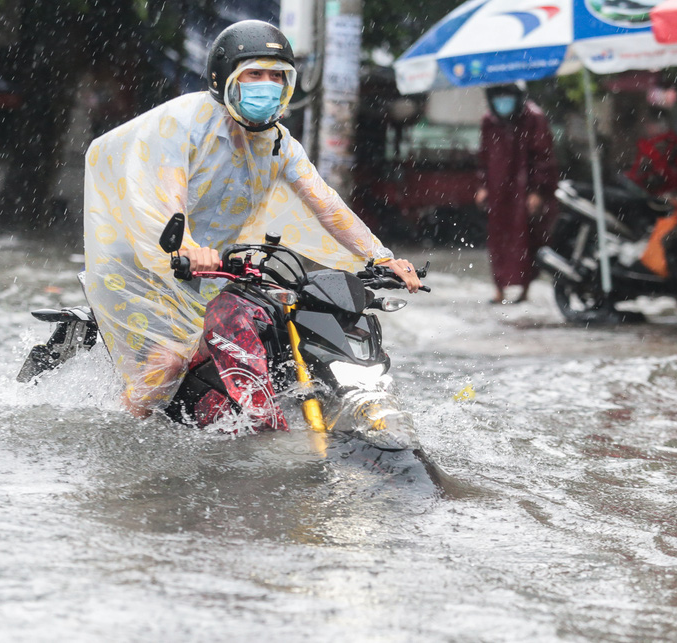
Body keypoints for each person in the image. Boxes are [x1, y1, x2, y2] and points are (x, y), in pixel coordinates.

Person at [82, 20, 422, 425]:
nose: (267, 84)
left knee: (272, 329)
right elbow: (165, 194)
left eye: (276, 76)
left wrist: (381, 257)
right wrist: (186, 244)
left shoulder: (279, 143)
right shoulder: (183, 122)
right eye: (254, 74)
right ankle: (126, 429)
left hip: (210, 265)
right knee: (170, 360)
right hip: (145, 261)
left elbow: (326, 204)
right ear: (225, 80)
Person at [474, 81, 559, 305]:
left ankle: (525, 290)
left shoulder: (534, 117)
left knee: (527, 239)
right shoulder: (489, 120)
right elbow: (483, 156)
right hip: (498, 189)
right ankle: (499, 288)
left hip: (524, 189)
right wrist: (483, 186)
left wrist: (538, 190)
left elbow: (543, 157)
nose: (503, 101)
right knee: (498, 239)